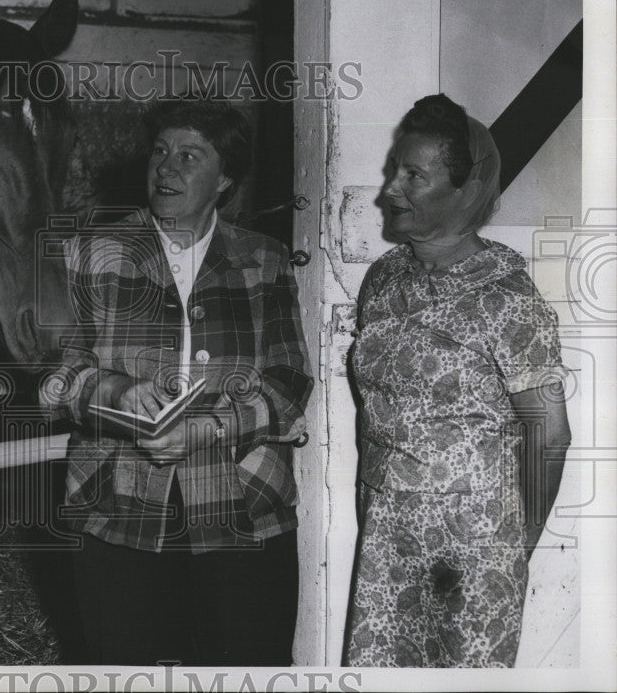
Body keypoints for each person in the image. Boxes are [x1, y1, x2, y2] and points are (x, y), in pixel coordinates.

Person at [45, 100, 313, 666]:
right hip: (117, 503)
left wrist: (211, 428)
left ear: (226, 179)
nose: (167, 167)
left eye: (190, 155)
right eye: (161, 152)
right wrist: (112, 392)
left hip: (243, 506)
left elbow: (289, 383)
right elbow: (54, 376)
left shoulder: (263, 258)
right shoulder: (90, 252)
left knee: (246, 669)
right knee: (128, 668)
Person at [343, 93, 571, 667]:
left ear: (464, 189)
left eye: (414, 175)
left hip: (472, 544)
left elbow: (550, 433)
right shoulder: (384, 278)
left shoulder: (507, 297)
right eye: (395, 169)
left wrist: (516, 546)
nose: (390, 189)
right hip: (386, 534)